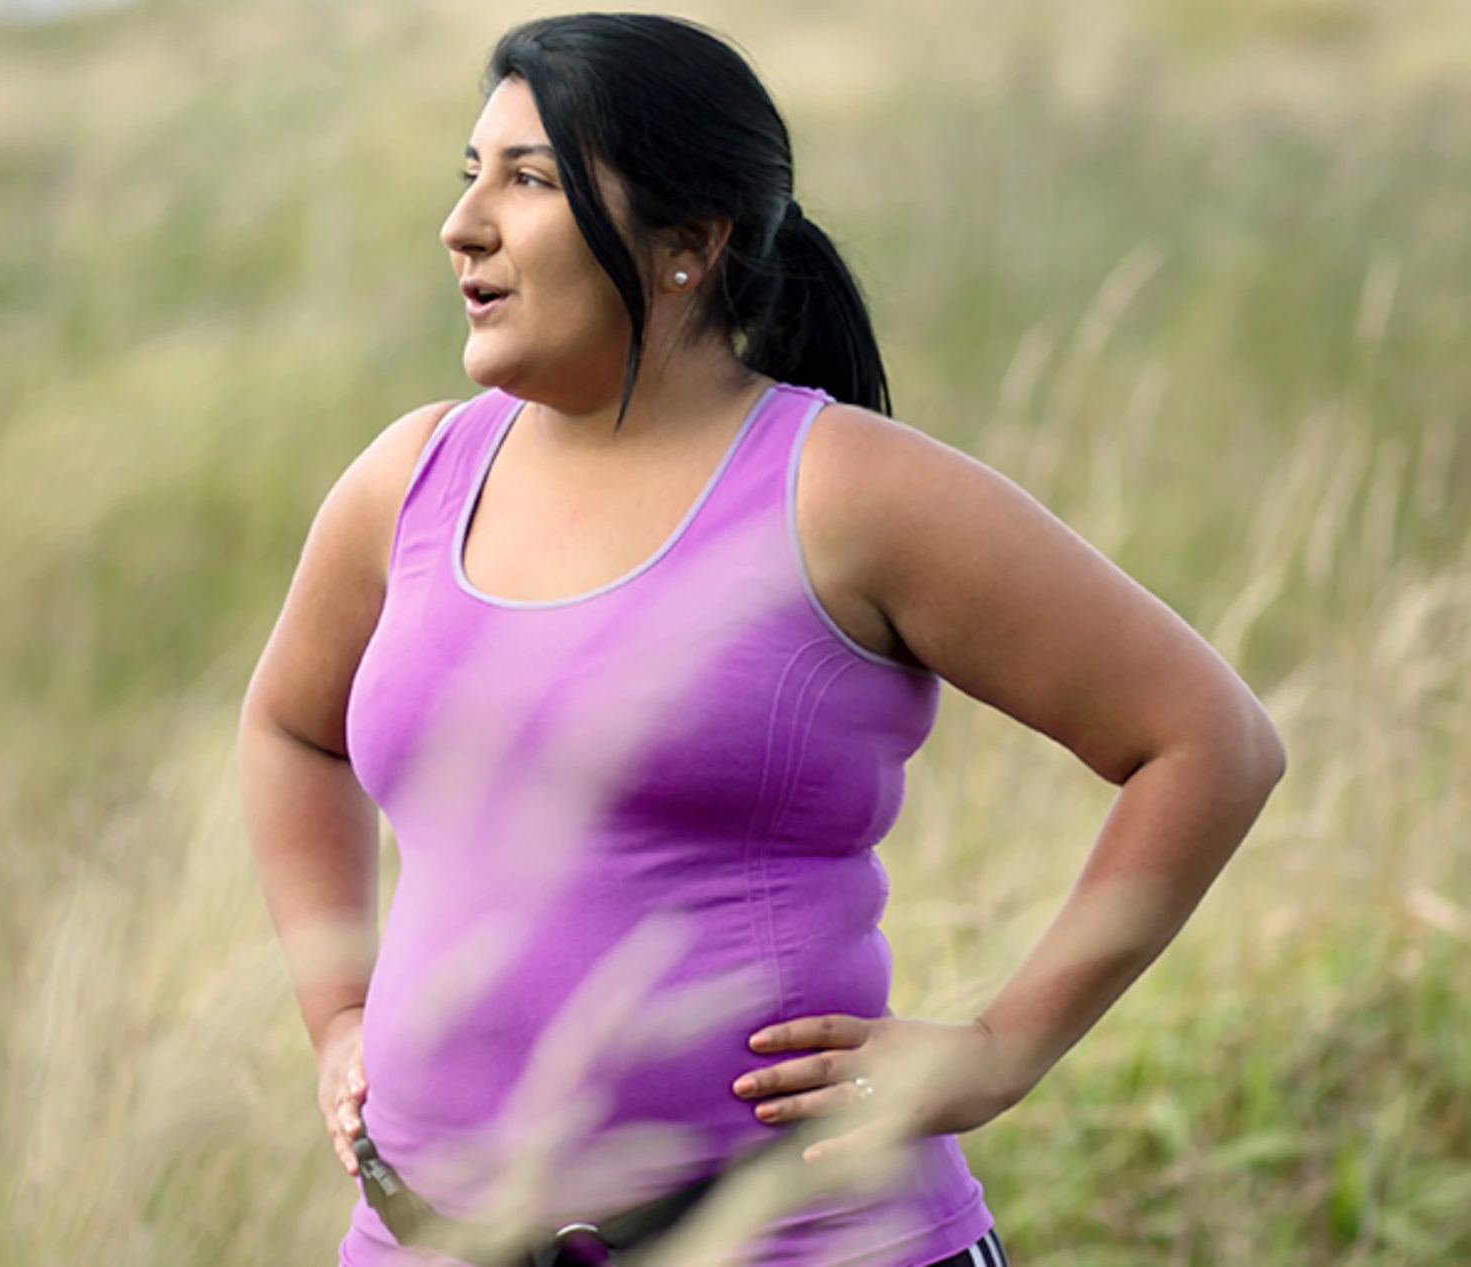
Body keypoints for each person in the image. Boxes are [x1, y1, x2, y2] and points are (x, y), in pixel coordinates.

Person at [237, 13, 1285, 1266]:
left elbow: (1207, 741)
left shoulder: (843, 489)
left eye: (528, 180)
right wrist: (337, 1011)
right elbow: (292, 728)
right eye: (470, 175)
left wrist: (1003, 1049)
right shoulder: (407, 482)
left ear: (689, 242)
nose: (464, 225)